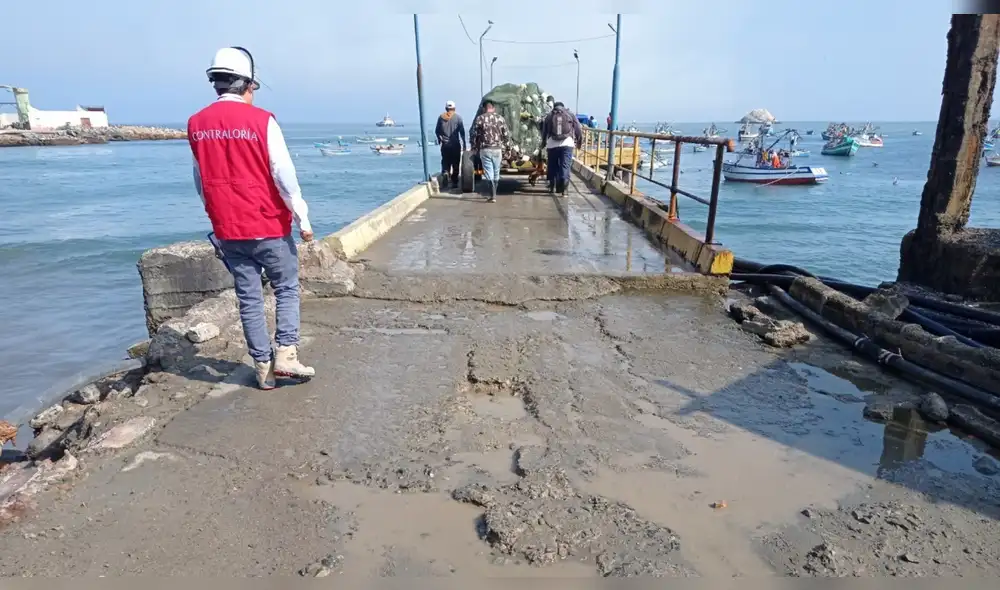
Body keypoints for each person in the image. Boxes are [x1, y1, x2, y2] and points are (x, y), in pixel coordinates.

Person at [188, 46, 315, 390]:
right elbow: (283, 174)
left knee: (249, 299)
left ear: (216, 82)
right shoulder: (262, 121)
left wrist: (216, 215)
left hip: (228, 230)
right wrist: (302, 217)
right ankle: (286, 353)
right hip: (267, 225)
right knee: (286, 287)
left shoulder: (197, 124)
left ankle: (263, 369)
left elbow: (201, 179)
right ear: (247, 84)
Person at [470, 99, 511, 202]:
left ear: (484, 108)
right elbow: (506, 135)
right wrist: (508, 148)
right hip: (497, 149)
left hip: (485, 149)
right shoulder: (500, 118)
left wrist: (474, 147)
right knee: (496, 172)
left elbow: (474, 135)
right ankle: (494, 195)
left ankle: (492, 195)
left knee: (489, 173)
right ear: (493, 108)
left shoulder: (480, 119)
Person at [541, 101, 583, 196]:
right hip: (567, 143)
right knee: (565, 166)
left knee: (552, 165)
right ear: (563, 107)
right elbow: (578, 129)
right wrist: (579, 142)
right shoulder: (570, 114)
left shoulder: (549, 116)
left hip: (552, 144)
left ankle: (552, 187)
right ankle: (565, 190)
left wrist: (543, 143)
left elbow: (544, 131)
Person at [435, 101, 466, 189]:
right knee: (456, 163)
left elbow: (437, 131)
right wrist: (464, 143)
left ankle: (445, 173)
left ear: (446, 108)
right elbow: (462, 132)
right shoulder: (458, 118)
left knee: (445, 161)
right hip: (455, 144)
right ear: (454, 108)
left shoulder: (441, 118)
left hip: (445, 145)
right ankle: (454, 182)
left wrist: (439, 140)